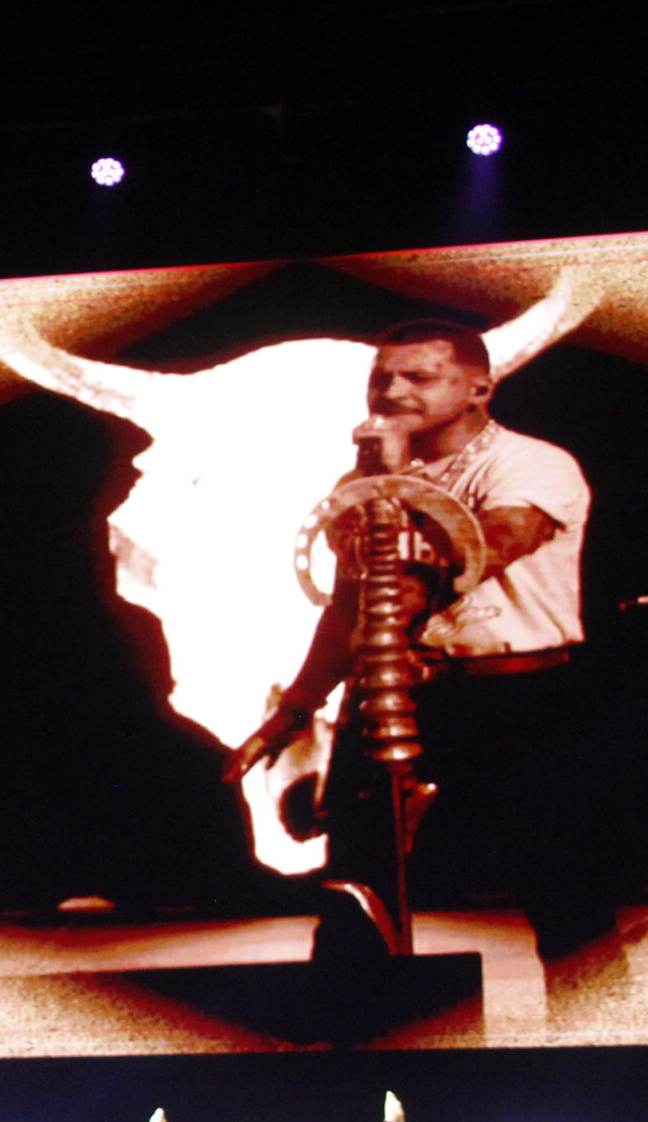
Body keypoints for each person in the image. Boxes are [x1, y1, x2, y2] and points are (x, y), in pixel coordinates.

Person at [227, 321, 607, 961]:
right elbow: (348, 607)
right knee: (356, 892)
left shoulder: (529, 463)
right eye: (382, 378)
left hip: (516, 697)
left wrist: (396, 484)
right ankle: (355, 1018)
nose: (393, 391)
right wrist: (295, 708)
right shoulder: (358, 485)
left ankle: (597, 1024)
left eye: (420, 377)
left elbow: (489, 543)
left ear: (479, 388)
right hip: (389, 691)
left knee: (562, 891)